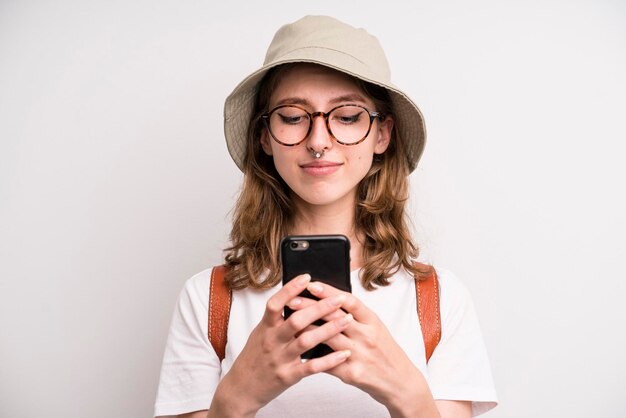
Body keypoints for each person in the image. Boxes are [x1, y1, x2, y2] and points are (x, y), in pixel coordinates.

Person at [154, 15, 497, 418]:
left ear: (382, 134)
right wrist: (234, 399)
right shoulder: (208, 300)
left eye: (347, 116)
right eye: (293, 116)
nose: (318, 142)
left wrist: (408, 392)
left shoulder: (439, 300)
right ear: (264, 135)